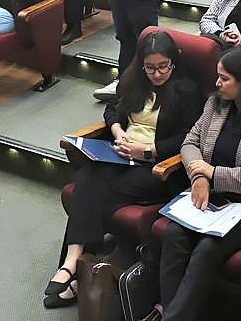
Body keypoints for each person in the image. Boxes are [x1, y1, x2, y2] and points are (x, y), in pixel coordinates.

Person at [46, 31, 203, 309]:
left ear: (173, 63)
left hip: (158, 168)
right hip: (122, 158)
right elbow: (111, 110)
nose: (157, 74)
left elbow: (188, 137)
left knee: (90, 186)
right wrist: (118, 131)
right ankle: (75, 265)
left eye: (163, 67)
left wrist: (146, 151)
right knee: (88, 175)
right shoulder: (134, 81)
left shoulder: (187, 91)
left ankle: (73, 268)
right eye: (150, 67)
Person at [157, 47, 241, 321]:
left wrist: (213, 173)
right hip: (210, 198)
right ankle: (172, 313)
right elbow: (190, 143)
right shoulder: (215, 104)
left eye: (224, 78)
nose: (217, 83)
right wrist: (199, 177)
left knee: (207, 249)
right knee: (174, 235)